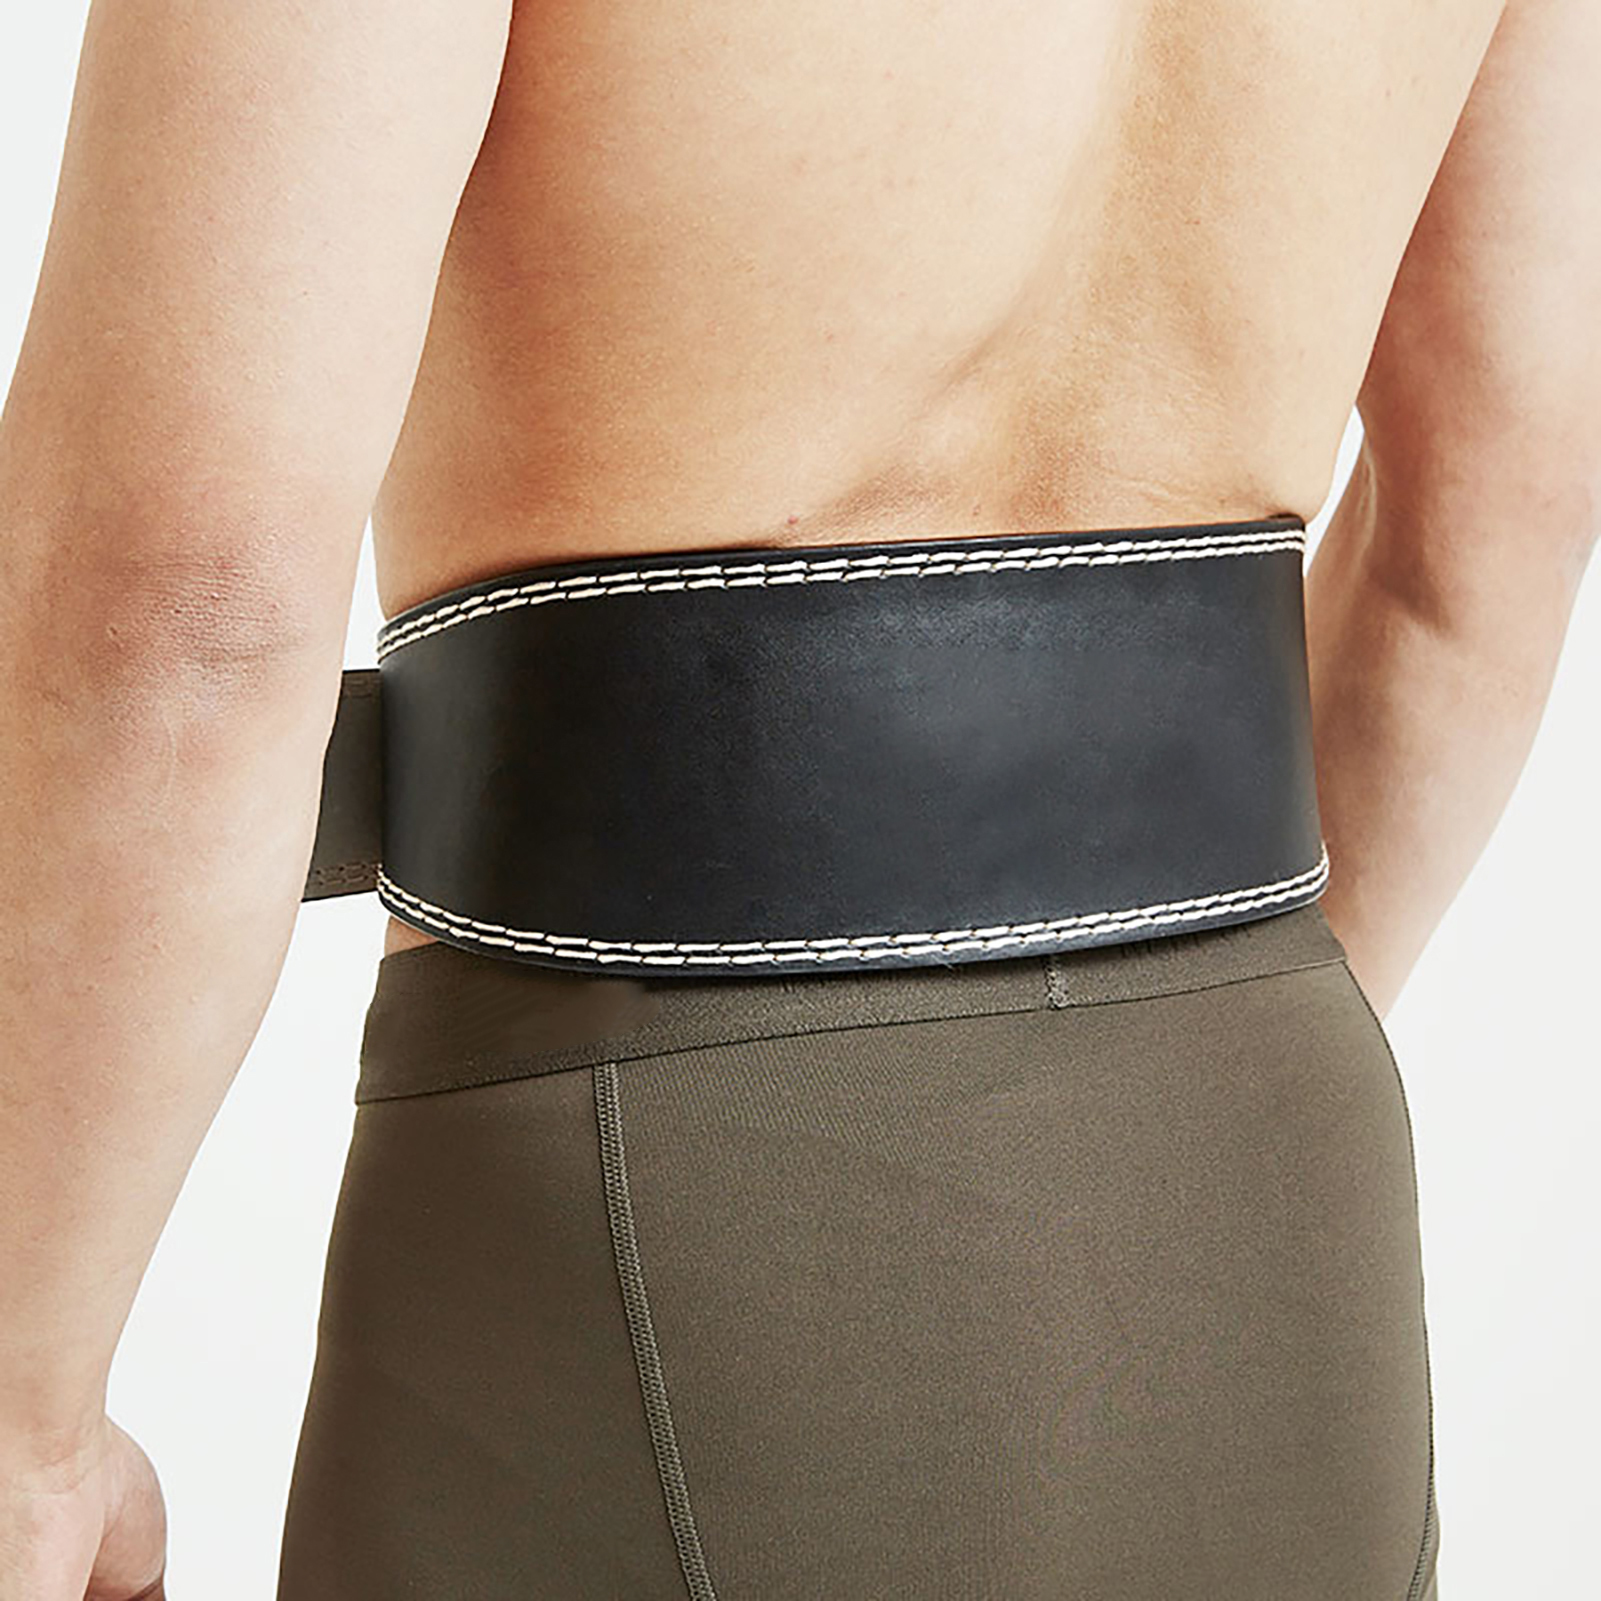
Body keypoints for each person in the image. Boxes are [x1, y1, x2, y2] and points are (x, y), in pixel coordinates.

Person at [0, 0, 1594, 1596]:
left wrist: (27, 1418)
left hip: (659, 1220)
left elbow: (179, 614)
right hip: (1273, 1218)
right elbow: (1485, 533)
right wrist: (1181, 1070)